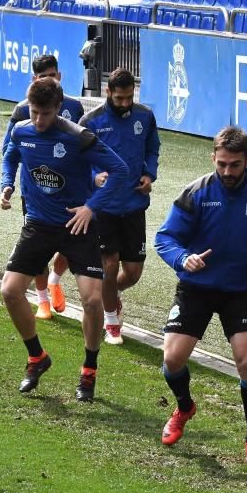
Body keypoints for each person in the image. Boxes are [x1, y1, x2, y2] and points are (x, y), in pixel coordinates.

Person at [154, 126, 247, 463]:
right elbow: (165, 238)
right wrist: (184, 258)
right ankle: (184, 408)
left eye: (235, 165)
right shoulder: (195, 192)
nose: (228, 171)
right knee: (172, 360)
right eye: (222, 164)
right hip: (195, 289)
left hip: (238, 291)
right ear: (213, 157)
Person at [0, 78, 128, 402]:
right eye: (34, 112)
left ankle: (89, 370)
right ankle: (36, 357)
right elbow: (10, 156)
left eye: (45, 113)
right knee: (10, 290)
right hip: (39, 224)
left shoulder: (78, 137)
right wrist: (7, 183)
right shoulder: (21, 130)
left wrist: (91, 206)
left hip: (77, 224)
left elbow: (120, 170)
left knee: (93, 300)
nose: (39, 120)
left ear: (58, 109)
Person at [1, 53, 85, 320]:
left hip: (70, 191)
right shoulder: (22, 110)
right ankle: (42, 299)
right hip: (37, 192)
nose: (48, 81)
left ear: (58, 76)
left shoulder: (75, 107)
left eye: (52, 75)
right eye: (42, 77)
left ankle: (55, 279)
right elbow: (10, 149)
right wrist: (8, 183)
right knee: (38, 247)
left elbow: (87, 148)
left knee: (67, 245)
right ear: (34, 81)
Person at [80, 68, 160, 344]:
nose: (125, 103)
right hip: (104, 206)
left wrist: (149, 174)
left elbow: (152, 149)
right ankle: (112, 322)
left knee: (134, 273)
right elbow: (78, 158)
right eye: (120, 98)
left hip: (134, 203)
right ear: (108, 93)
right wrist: (94, 176)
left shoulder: (145, 116)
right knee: (110, 265)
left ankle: (107, 296)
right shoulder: (90, 121)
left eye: (129, 98)